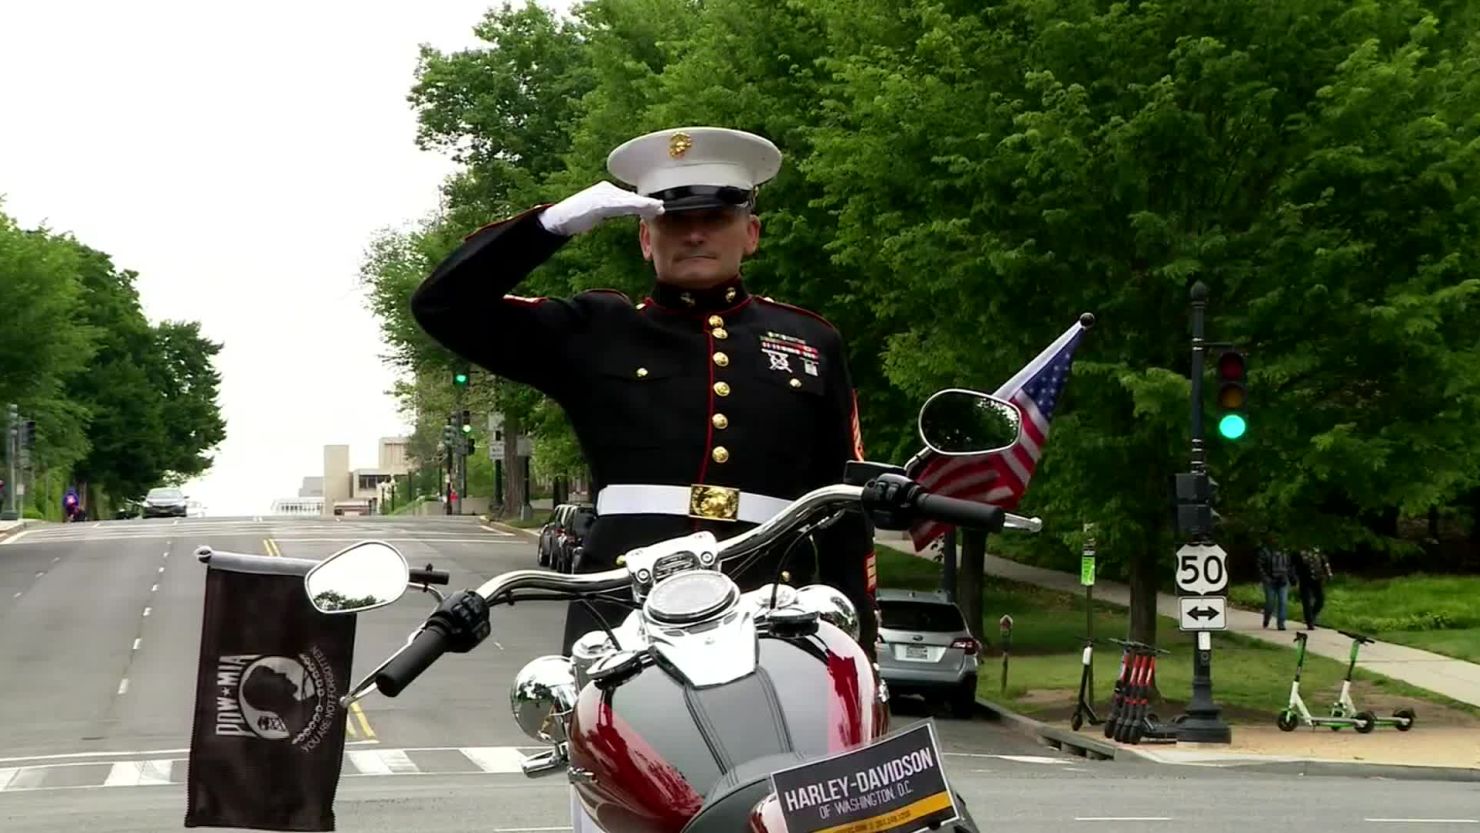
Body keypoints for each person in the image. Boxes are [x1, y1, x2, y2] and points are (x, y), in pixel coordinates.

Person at [409, 124, 879, 656]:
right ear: (644, 238)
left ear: (751, 233)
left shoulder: (810, 340)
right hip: (623, 610)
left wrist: (858, 642)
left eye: (716, 218)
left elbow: (842, 504)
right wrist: (552, 224)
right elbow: (441, 306)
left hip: (771, 604)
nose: (695, 234)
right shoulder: (597, 330)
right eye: (674, 220)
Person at [1256, 536, 1293, 630]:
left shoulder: (1285, 551)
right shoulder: (1265, 551)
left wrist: (1292, 578)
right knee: (1270, 603)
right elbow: (1260, 566)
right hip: (1270, 581)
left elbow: (1289, 566)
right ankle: (1267, 618)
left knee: (1283, 602)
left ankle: (1281, 623)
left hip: (1283, 581)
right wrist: (1265, 578)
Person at [1294, 546, 1332, 630]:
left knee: (1320, 600)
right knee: (1306, 601)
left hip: (1317, 579)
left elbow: (1325, 563)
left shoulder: (1319, 551)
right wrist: (1295, 580)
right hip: (1304, 580)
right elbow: (1295, 567)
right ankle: (1309, 622)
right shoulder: (1300, 553)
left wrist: (1328, 574)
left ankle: (1312, 615)